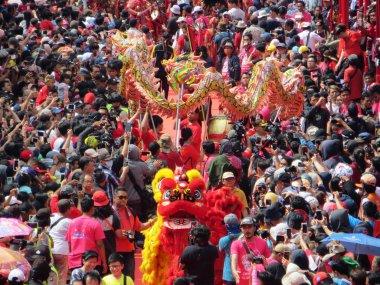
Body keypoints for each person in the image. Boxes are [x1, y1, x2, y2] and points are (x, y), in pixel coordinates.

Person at [113, 187, 157, 280]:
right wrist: (117, 233)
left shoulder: (130, 211)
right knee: (115, 278)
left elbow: (139, 227)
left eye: (125, 197)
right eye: (120, 197)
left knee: (129, 278)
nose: (123, 199)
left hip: (129, 250)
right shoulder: (110, 212)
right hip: (114, 250)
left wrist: (151, 222)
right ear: (114, 198)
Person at [66, 197, 107, 274]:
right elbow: (100, 245)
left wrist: (69, 260)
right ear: (92, 208)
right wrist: (104, 262)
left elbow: (69, 243)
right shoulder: (95, 223)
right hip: (92, 262)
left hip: (74, 261)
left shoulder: (72, 222)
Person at [231, 217, 271, 285]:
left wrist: (265, 264)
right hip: (242, 281)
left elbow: (269, 260)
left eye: (249, 227)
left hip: (259, 281)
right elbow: (234, 258)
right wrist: (234, 270)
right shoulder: (236, 244)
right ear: (241, 229)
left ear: (254, 228)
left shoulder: (263, 242)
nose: (247, 230)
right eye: (244, 227)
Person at [49, 199, 72, 285]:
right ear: (69, 209)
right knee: (61, 275)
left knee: (51, 275)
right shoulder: (69, 222)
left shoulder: (51, 216)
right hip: (62, 251)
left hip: (50, 249)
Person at [219, 214, 242, 285]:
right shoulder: (246, 236)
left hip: (229, 274)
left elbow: (220, 249)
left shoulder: (223, 240)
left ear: (226, 226)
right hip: (243, 272)